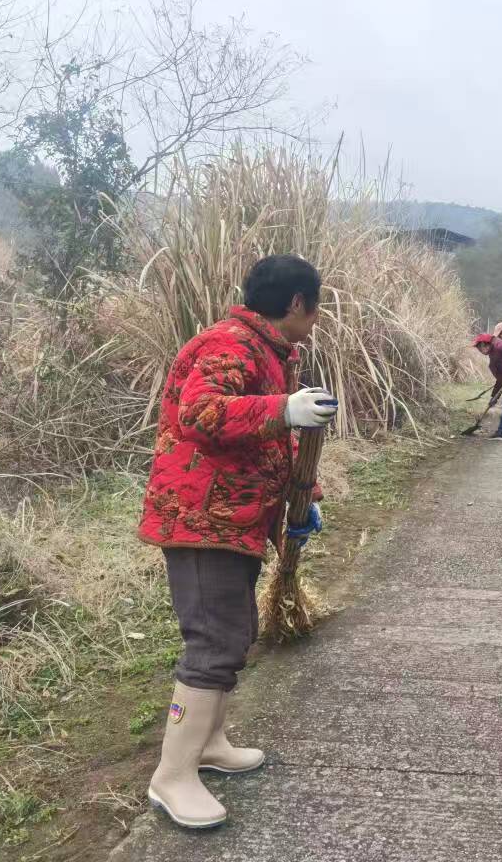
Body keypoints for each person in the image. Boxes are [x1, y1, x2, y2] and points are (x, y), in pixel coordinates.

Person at [138, 255, 339, 829]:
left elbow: (272, 440)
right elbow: (201, 413)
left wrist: (308, 496)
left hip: (241, 518)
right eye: (315, 306)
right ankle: (171, 777)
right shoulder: (229, 344)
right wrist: (284, 408)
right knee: (214, 640)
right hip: (203, 520)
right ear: (297, 302)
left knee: (236, 632)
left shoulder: (275, 353)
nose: (316, 318)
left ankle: (210, 742)